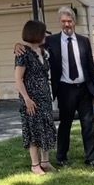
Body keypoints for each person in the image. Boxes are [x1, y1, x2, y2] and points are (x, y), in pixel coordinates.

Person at [16, 7, 94, 166]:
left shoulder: (84, 40)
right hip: (65, 90)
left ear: (74, 22)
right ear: (59, 22)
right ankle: (62, 158)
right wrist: (17, 45)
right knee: (65, 125)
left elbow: (91, 67)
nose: (66, 24)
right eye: (63, 21)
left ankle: (91, 158)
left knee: (88, 125)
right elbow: (32, 46)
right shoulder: (51, 41)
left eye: (69, 21)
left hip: (84, 90)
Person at [14, 20, 57, 175]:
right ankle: (35, 165)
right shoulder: (23, 54)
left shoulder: (43, 52)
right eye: (43, 32)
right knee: (34, 129)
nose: (45, 35)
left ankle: (45, 161)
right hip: (31, 97)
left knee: (46, 127)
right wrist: (26, 98)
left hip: (44, 95)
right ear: (36, 33)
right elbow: (18, 79)